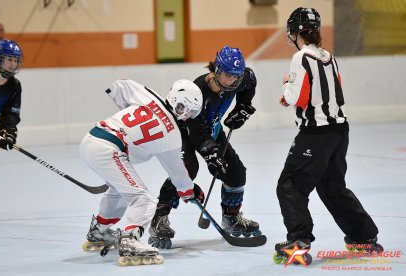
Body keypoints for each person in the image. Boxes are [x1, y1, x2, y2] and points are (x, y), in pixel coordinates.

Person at [274, 7, 382, 261]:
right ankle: (363, 236)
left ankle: (298, 242)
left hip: (315, 134)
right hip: (339, 131)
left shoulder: (301, 57)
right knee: (332, 186)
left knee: (290, 185)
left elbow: (295, 96)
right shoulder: (329, 56)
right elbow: (335, 92)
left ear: (295, 31)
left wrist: (286, 84)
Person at [80, 78, 205, 265]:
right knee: (144, 199)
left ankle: (100, 231)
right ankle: (130, 240)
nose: (190, 117)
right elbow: (179, 176)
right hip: (109, 149)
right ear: (181, 107)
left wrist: (128, 115)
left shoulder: (149, 96)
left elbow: (118, 86)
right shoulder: (172, 136)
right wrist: (190, 191)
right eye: (191, 111)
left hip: (92, 138)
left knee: (120, 192)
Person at [148, 46, 261, 249]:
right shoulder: (197, 91)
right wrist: (211, 155)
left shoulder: (240, 78)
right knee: (187, 170)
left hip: (212, 129)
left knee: (235, 174)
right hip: (185, 131)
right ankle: (160, 217)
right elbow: (197, 132)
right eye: (227, 75)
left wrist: (243, 106)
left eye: (236, 76)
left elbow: (249, 82)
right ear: (217, 70)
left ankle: (231, 217)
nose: (232, 81)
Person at [0, 40, 23, 174]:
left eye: (16, 60)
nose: (13, 64)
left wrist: (7, 132)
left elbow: (10, 113)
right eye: (9, 59)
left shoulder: (14, 86)